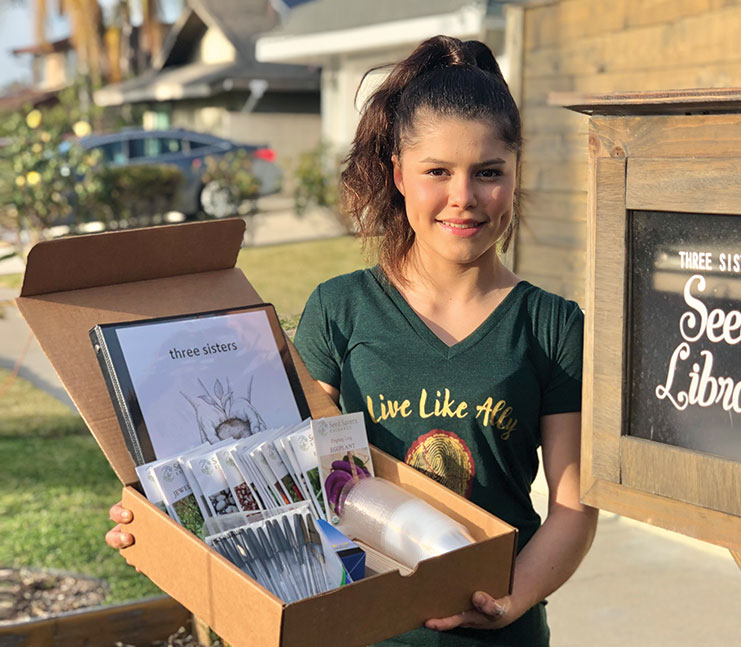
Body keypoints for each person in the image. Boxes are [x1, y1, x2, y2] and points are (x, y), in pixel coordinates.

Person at [107, 34, 597, 646]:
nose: (463, 198)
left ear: (517, 170)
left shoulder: (553, 327)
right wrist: (161, 529)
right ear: (398, 174)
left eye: (488, 172)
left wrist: (512, 597)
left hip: (503, 634)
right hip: (357, 630)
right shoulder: (343, 310)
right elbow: (271, 473)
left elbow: (573, 510)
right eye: (437, 172)